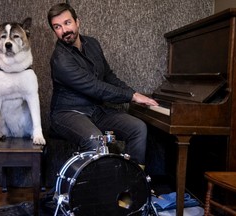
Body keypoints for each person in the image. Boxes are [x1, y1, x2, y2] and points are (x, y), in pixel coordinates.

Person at [47, 3, 158, 169]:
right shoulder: (60, 60)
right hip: (67, 113)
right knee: (95, 142)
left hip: (95, 111)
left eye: (67, 23)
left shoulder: (92, 44)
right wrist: (131, 97)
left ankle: (131, 183)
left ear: (77, 22)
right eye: (57, 27)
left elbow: (108, 76)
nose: (64, 30)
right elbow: (95, 87)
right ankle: (99, 191)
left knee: (138, 128)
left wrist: (133, 93)